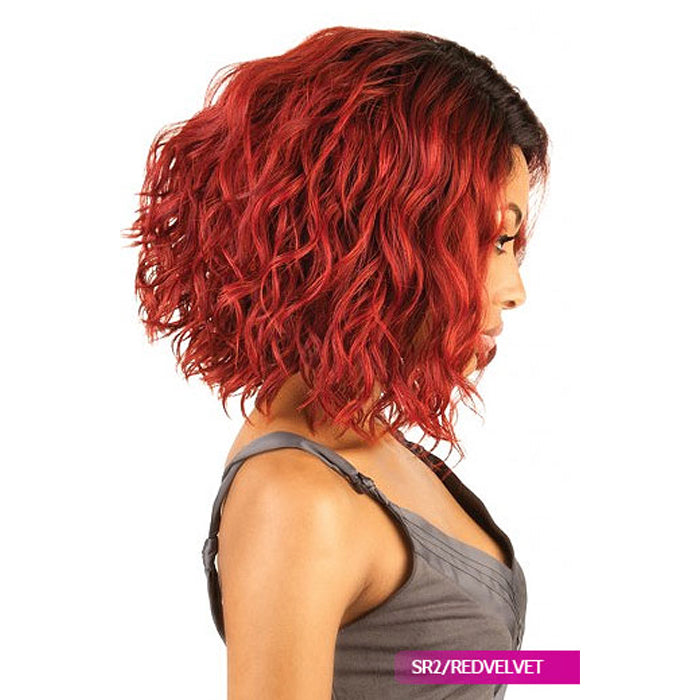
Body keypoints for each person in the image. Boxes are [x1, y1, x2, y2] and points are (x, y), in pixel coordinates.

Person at [126, 26, 550, 699]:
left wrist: (571, 669)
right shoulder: (295, 497)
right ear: (385, 237)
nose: (514, 289)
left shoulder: (367, 435)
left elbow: (412, 667)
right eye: (492, 242)